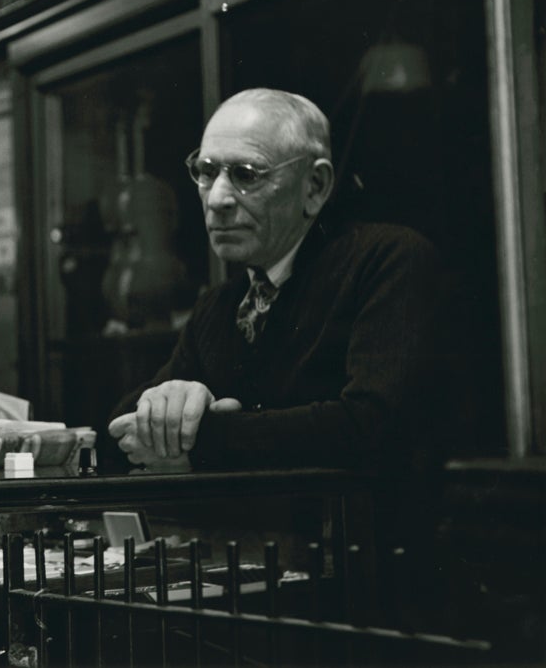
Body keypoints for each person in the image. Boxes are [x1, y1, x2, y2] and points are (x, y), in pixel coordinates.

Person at [107, 87, 453, 473]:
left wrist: (208, 438)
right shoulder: (219, 306)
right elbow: (119, 429)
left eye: (246, 174)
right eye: (207, 172)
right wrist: (168, 400)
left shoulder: (389, 262)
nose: (217, 199)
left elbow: (371, 427)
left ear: (315, 186)